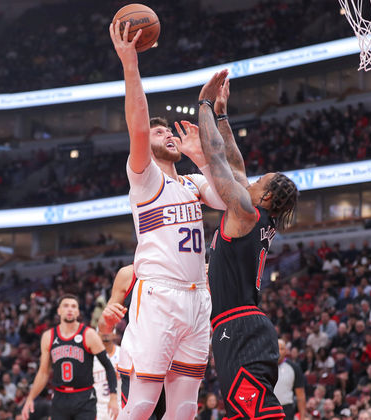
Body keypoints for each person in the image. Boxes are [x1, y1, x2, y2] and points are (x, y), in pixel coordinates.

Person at [108, 20, 228, 420]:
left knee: (186, 409)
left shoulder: (194, 182)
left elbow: (230, 200)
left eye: (168, 131)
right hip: (158, 295)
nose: (165, 134)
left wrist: (203, 152)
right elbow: (138, 123)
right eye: (159, 133)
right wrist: (130, 64)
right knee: (142, 404)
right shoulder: (145, 178)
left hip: (198, 297)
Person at [198, 70, 299, 419]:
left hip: (237, 325)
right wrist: (223, 116)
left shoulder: (245, 213)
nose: (252, 180)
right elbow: (237, 165)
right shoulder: (255, 216)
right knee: (241, 413)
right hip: (245, 324)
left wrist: (204, 106)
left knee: (256, 414)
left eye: (260, 181)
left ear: (267, 195)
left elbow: (218, 160)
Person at [21, 294, 119, 420]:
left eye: (73, 306)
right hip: (60, 397)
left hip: (84, 397)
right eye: (66, 306)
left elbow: (109, 367)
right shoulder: (48, 336)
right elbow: (43, 372)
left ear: (78, 312)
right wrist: (30, 398)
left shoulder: (89, 334)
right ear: (59, 311)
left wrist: (113, 397)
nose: (70, 309)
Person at [99, 265, 166, 419]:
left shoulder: (187, 267)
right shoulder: (129, 273)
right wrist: (107, 320)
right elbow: (104, 327)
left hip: (176, 363)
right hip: (139, 364)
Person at [274, 340, 307, 420]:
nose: (279, 351)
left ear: (286, 351)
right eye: (277, 348)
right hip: (268, 408)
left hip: (286, 410)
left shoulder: (294, 367)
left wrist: (302, 417)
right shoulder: (265, 367)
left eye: (281, 349)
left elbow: (300, 396)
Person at [93, 330, 121, 420]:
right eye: (102, 330)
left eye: (109, 329)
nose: (106, 332)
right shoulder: (90, 356)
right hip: (97, 406)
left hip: (118, 404)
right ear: (97, 334)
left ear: (115, 334)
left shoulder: (123, 353)